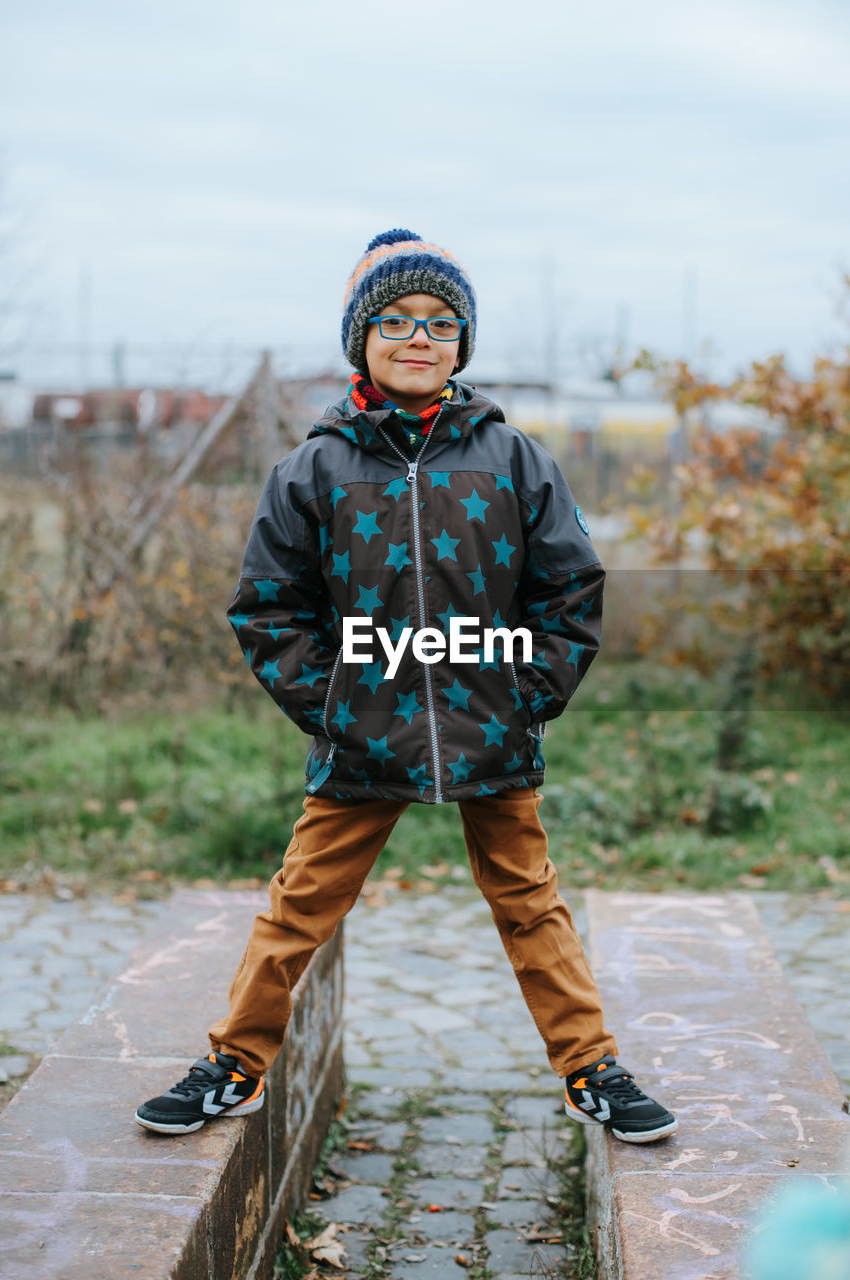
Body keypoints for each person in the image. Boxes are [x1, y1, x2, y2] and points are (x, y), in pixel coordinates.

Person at [135, 229, 677, 1145]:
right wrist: (337, 706)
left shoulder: (513, 460)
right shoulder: (312, 469)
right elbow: (267, 607)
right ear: (361, 341)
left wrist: (525, 694)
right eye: (393, 320)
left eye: (438, 322)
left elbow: (571, 589)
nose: (416, 336)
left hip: (490, 732)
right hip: (364, 735)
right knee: (298, 906)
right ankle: (235, 1063)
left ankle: (592, 1069)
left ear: (462, 343)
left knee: (529, 903)